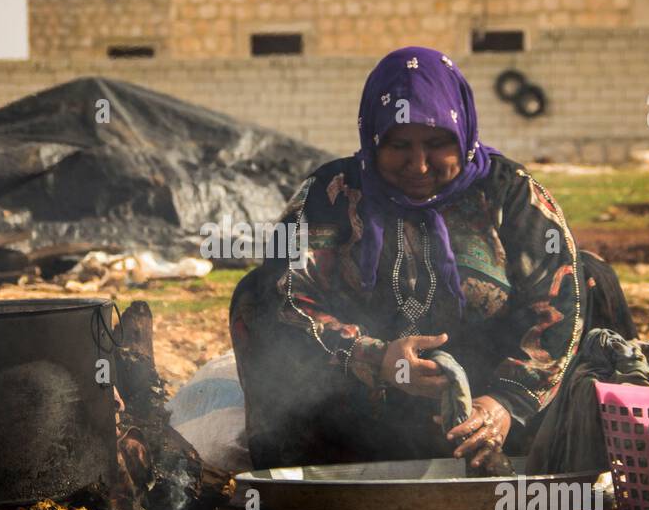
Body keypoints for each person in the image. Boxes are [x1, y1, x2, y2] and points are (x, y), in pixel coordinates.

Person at [230, 46, 616, 475]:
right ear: (373, 138)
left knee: (590, 278)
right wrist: (376, 358)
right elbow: (287, 291)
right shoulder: (331, 193)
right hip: (363, 404)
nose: (418, 165)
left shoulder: (510, 194)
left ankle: (557, 469)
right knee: (253, 296)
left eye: (437, 144)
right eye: (398, 145)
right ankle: (298, 482)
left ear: (463, 133)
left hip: (493, 408)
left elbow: (554, 302)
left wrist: (503, 404)